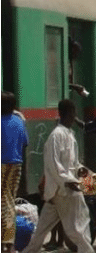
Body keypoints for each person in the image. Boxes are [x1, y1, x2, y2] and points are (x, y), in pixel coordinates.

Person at [23, 100, 95, 253]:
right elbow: (54, 165)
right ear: (69, 114)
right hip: (63, 191)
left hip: (60, 192)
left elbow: (73, 163)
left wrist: (82, 171)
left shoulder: (70, 134)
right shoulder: (56, 136)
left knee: (41, 229)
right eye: (73, 113)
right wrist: (68, 181)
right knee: (77, 229)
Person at [2, 92, 28, 253]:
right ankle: (9, 243)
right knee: (9, 201)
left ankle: (7, 243)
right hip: (16, 164)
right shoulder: (19, 121)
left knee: (5, 203)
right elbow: (25, 142)